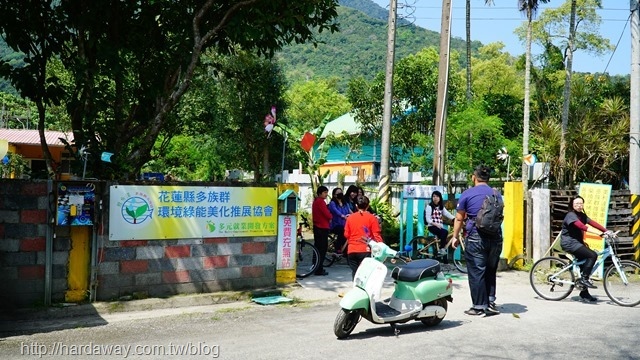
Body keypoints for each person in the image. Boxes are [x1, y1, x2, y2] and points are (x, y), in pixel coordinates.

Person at [451, 165, 503, 317]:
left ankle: (479, 306)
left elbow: (460, 217)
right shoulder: (496, 194)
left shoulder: (467, 194)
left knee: (476, 272)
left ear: (474, 177)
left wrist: (455, 236)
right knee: (490, 269)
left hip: (475, 237)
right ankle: (490, 301)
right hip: (496, 237)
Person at [561, 195, 612, 302]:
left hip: (577, 243)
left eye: (581, 203)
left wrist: (606, 230)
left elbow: (593, 223)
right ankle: (584, 279)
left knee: (584, 266)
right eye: (576, 204)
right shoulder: (571, 215)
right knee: (592, 255)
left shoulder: (582, 215)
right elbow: (581, 227)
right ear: (572, 205)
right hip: (569, 243)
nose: (579, 205)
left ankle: (584, 293)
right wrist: (600, 234)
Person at [344, 195, 383, 279]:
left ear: (356, 206)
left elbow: (346, 234)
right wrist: (381, 247)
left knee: (355, 273)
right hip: (366, 250)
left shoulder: (350, 218)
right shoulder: (372, 218)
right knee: (365, 275)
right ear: (368, 206)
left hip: (352, 250)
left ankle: (356, 289)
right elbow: (377, 235)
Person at [312, 185, 332, 276]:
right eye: (324, 192)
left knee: (317, 247)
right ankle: (319, 268)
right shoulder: (321, 202)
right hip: (322, 227)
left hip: (317, 226)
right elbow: (327, 214)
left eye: (327, 192)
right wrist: (331, 216)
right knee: (322, 249)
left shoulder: (315, 201)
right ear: (320, 193)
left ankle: (315, 266)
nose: (326, 194)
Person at [328, 187, 351, 254]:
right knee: (342, 230)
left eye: (341, 192)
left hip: (345, 224)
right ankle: (338, 248)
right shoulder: (332, 203)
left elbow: (350, 211)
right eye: (338, 193)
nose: (340, 194)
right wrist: (343, 216)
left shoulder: (345, 203)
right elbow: (336, 211)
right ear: (334, 195)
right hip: (335, 225)